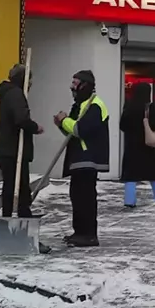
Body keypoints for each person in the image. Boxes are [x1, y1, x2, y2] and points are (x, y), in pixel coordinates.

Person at [0, 64, 50, 254]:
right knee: (20, 194)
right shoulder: (16, 94)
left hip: (7, 151)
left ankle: (8, 236)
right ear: (23, 79)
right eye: (30, 79)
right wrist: (36, 127)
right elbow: (21, 119)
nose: (32, 83)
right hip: (13, 153)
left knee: (11, 192)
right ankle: (25, 239)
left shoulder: (8, 93)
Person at [54, 70, 110, 247]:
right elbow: (72, 132)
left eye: (75, 83)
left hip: (88, 158)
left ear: (84, 85)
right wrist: (61, 124)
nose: (72, 87)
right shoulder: (80, 104)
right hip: (78, 158)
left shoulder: (95, 105)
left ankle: (89, 235)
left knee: (85, 197)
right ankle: (79, 232)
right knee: (76, 196)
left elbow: (80, 130)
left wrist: (65, 122)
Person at [119, 83, 155, 208]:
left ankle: (129, 201)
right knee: (153, 172)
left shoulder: (129, 105)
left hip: (131, 145)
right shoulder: (148, 107)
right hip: (146, 145)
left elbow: (122, 125)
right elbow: (154, 125)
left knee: (130, 174)